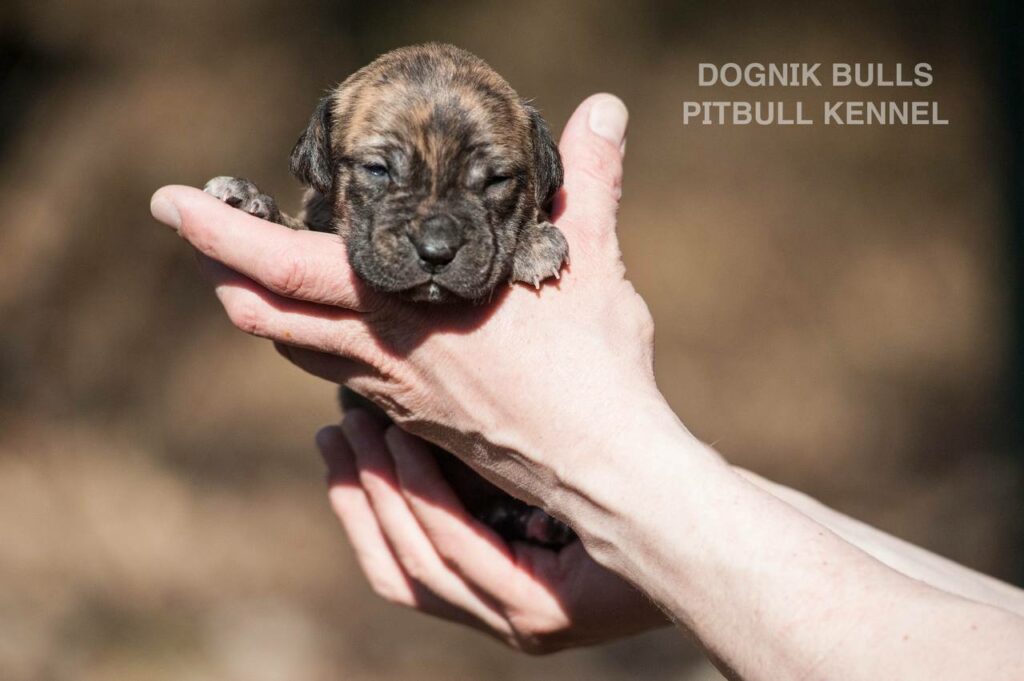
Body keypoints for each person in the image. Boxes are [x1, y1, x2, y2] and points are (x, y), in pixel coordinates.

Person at [151, 94, 1024, 679]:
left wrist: (612, 489)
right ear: (322, 160)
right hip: (417, 473)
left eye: (491, 185)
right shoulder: (329, 184)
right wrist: (657, 543)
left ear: (538, 179)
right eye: (379, 176)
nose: (435, 238)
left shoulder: (526, 224)